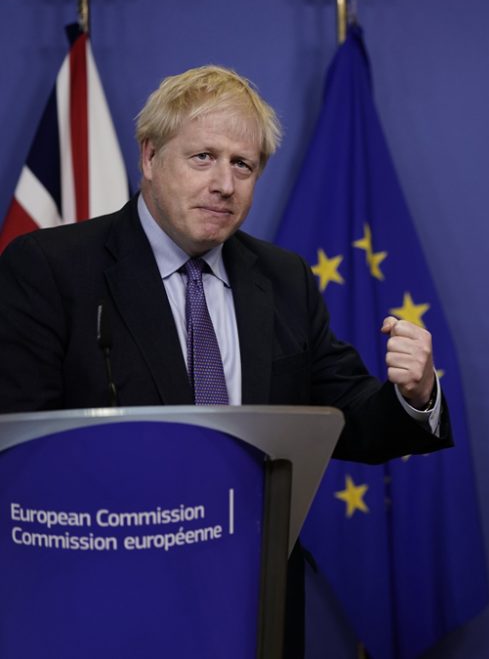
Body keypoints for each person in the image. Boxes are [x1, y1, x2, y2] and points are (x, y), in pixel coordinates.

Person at [0, 65, 450, 657]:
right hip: (107, 593)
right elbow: (22, 454)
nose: (224, 184)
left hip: (253, 596)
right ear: (150, 157)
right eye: (203, 157)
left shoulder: (283, 278)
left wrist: (414, 395)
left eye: (243, 165)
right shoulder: (51, 268)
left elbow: (345, 411)